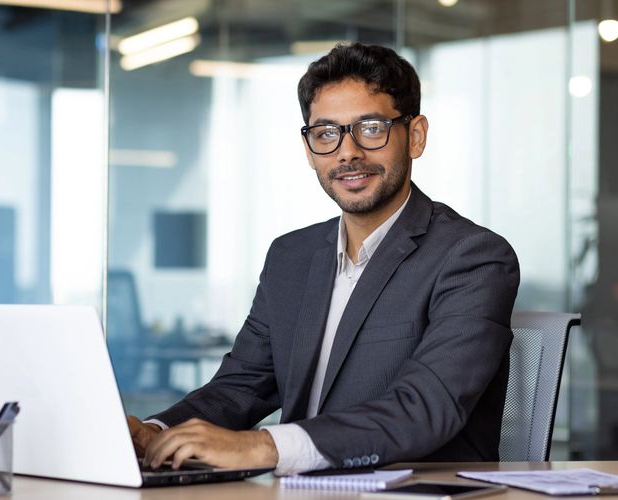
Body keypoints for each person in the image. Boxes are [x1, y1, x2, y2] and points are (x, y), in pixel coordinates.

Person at [128, 42, 520, 475]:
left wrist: (264, 447)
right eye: (326, 133)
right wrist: (156, 431)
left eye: (370, 128)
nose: (347, 152)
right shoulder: (290, 257)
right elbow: (240, 387)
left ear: (416, 136)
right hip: (303, 490)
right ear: (310, 148)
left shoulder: (472, 258)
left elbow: (426, 407)